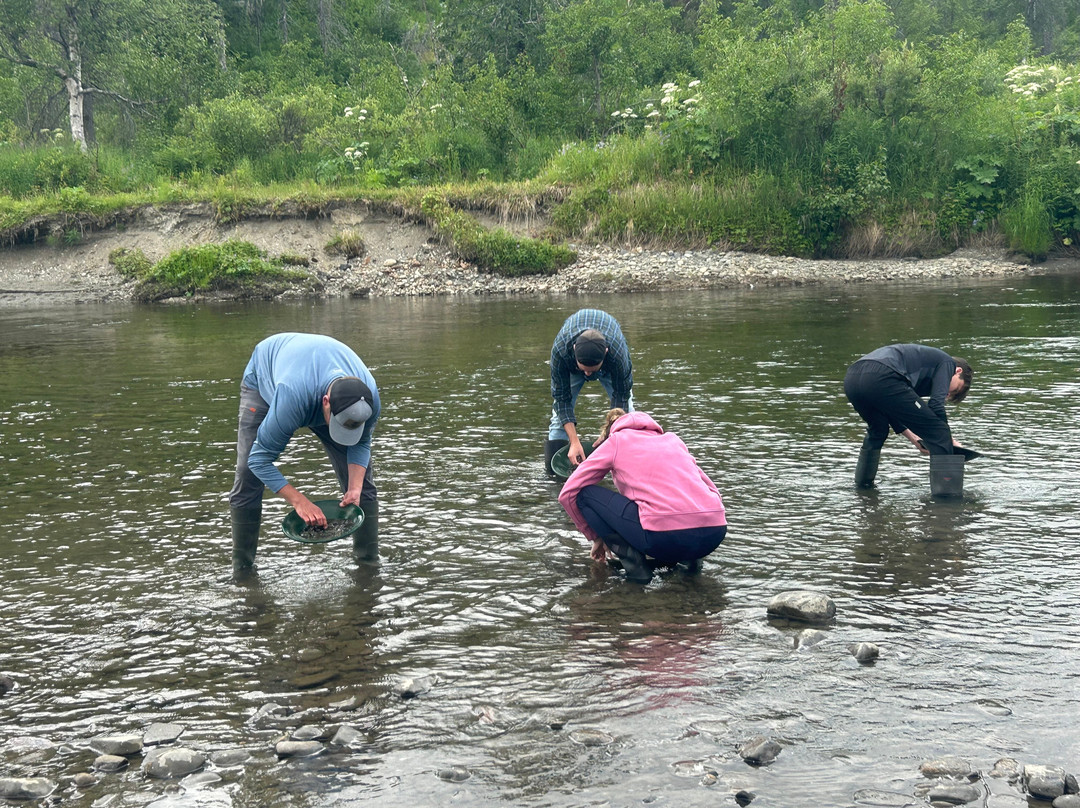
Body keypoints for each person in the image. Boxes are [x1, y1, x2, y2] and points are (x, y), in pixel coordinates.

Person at [229, 332, 380, 576]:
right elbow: (258, 459)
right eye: (340, 425)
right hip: (266, 378)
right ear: (325, 402)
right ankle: (243, 573)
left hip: (315, 379)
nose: (342, 434)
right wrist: (300, 502)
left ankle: (369, 569)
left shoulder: (369, 398)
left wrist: (354, 488)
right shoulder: (292, 397)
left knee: (364, 487)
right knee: (248, 475)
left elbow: (361, 443)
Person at [558, 408, 727, 583]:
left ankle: (637, 569)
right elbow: (713, 490)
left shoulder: (616, 441)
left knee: (584, 494)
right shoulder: (673, 440)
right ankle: (690, 566)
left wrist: (595, 535)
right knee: (688, 503)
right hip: (714, 533)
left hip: (663, 538)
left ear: (609, 432)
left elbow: (568, 492)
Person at [843, 343, 972, 496]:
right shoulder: (947, 363)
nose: (948, 395)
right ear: (958, 371)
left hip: (852, 378)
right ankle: (947, 501)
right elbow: (936, 405)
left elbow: (890, 407)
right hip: (882, 375)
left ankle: (862, 490)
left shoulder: (917, 372)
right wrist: (947, 440)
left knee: (878, 429)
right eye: (955, 389)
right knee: (939, 432)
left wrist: (914, 438)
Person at [546, 309, 634, 475]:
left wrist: (609, 433)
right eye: (584, 370)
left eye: (591, 370)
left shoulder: (617, 355)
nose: (587, 375)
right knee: (559, 418)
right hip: (569, 364)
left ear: (606, 353)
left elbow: (621, 397)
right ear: (574, 349)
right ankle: (554, 477)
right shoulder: (561, 351)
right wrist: (574, 441)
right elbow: (562, 400)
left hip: (610, 364)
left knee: (628, 418)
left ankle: (628, 468)